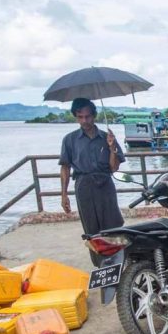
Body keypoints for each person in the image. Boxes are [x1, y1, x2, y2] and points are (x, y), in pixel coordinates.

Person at [59, 98, 125, 266]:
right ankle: (100, 264)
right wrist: (64, 195)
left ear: (94, 116)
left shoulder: (106, 137)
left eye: (88, 117)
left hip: (105, 183)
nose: (84, 121)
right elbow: (65, 168)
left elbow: (114, 168)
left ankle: (118, 261)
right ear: (75, 117)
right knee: (91, 227)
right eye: (80, 117)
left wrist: (112, 148)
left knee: (113, 223)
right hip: (83, 185)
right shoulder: (70, 139)